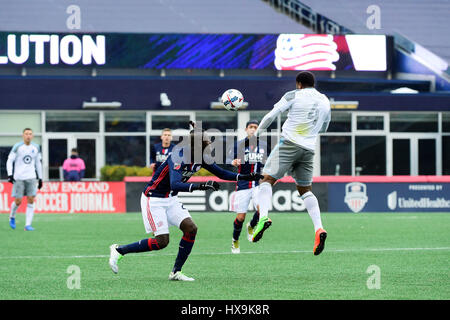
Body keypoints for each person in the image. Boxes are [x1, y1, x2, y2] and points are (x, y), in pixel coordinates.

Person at [109, 121, 263, 281]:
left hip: (170, 198)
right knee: (162, 242)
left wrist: (245, 176)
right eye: (206, 142)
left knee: (191, 229)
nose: (209, 144)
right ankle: (119, 250)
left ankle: (176, 272)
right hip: (153, 198)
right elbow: (175, 183)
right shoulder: (179, 155)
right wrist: (202, 186)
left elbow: (222, 173)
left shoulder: (201, 156)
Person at [253, 71, 331, 256]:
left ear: (298, 84)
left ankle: (263, 217)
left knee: (266, 180)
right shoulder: (325, 101)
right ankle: (318, 228)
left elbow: (271, 116)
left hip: (289, 144)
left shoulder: (293, 95)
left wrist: (256, 135)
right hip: (309, 149)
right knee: (305, 190)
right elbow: (325, 127)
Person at [228, 120, 267, 254]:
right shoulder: (239, 145)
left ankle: (251, 225)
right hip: (243, 184)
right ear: (246, 129)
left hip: (257, 184)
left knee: (262, 210)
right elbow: (230, 160)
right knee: (240, 218)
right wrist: (234, 162)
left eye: (255, 127)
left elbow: (266, 163)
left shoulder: (263, 146)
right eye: (251, 127)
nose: (253, 129)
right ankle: (235, 240)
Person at [6, 128, 43, 231]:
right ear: (23, 135)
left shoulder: (36, 147)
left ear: (33, 136)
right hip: (19, 178)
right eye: (26, 134)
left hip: (31, 177)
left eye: (30, 134)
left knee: (31, 200)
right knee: (18, 201)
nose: (28, 136)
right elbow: (9, 161)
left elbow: (38, 163)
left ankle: (27, 225)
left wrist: (40, 178)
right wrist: (10, 174)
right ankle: (12, 217)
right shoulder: (17, 147)